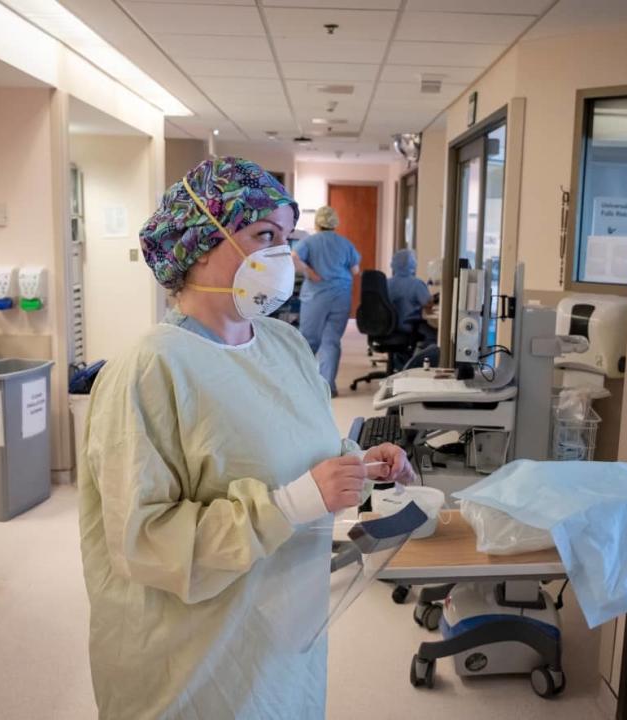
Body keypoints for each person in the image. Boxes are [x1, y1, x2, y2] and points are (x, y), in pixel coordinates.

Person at [78, 157, 414, 720]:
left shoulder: (282, 344)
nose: (281, 255)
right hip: (192, 659)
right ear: (200, 245)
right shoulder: (148, 370)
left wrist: (358, 464)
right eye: (264, 235)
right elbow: (144, 542)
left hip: (283, 633)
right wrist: (294, 503)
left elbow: (299, 452)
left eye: (286, 237)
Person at [292, 206, 360, 397]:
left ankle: (303, 384)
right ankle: (328, 386)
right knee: (331, 341)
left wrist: (310, 272)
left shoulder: (310, 242)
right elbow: (355, 270)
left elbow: (294, 258)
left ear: (317, 223)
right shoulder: (346, 244)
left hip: (316, 296)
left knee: (308, 341)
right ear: (335, 223)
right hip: (341, 296)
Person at [388, 248, 436, 345]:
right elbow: (427, 305)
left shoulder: (385, 283)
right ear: (413, 264)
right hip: (408, 327)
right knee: (436, 336)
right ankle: (417, 359)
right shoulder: (417, 284)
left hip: (387, 327)